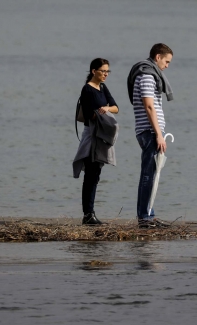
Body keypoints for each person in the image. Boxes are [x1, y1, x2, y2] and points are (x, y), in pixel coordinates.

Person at [127, 43, 174, 228]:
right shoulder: (147, 75)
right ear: (157, 57)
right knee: (148, 175)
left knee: (152, 174)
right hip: (149, 131)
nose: (167, 66)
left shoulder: (149, 73)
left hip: (149, 131)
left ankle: (149, 215)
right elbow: (148, 106)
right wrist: (159, 134)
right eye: (167, 61)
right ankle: (145, 218)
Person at [73, 58, 119, 225]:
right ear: (94, 71)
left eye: (108, 71)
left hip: (102, 135)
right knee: (91, 174)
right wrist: (100, 113)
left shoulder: (102, 87)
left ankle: (90, 213)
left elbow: (116, 107)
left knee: (96, 173)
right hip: (92, 134)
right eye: (103, 71)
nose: (106, 74)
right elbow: (88, 114)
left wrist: (106, 108)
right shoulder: (87, 90)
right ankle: (88, 214)